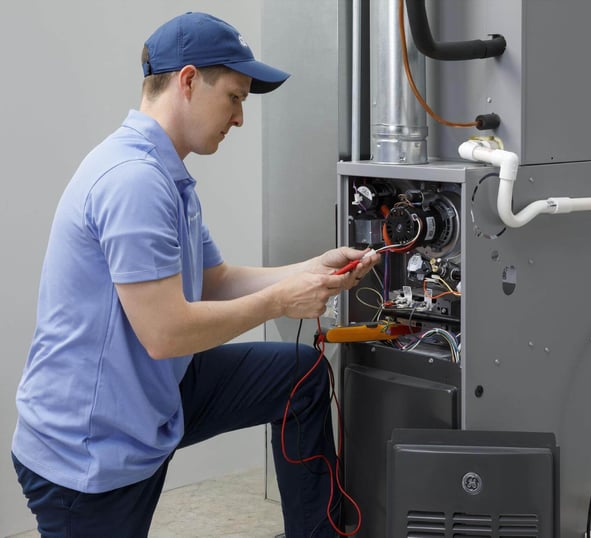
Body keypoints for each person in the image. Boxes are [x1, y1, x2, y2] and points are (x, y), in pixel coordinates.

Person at [11, 12, 377, 538]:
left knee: (299, 375)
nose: (240, 118)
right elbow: (166, 334)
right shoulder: (133, 181)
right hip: (89, 451)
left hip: (148, 391)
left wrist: (313, 269)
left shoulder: (167, 176)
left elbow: (214, 280)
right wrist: (281, 302)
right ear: (187, 81)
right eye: (234, 97)